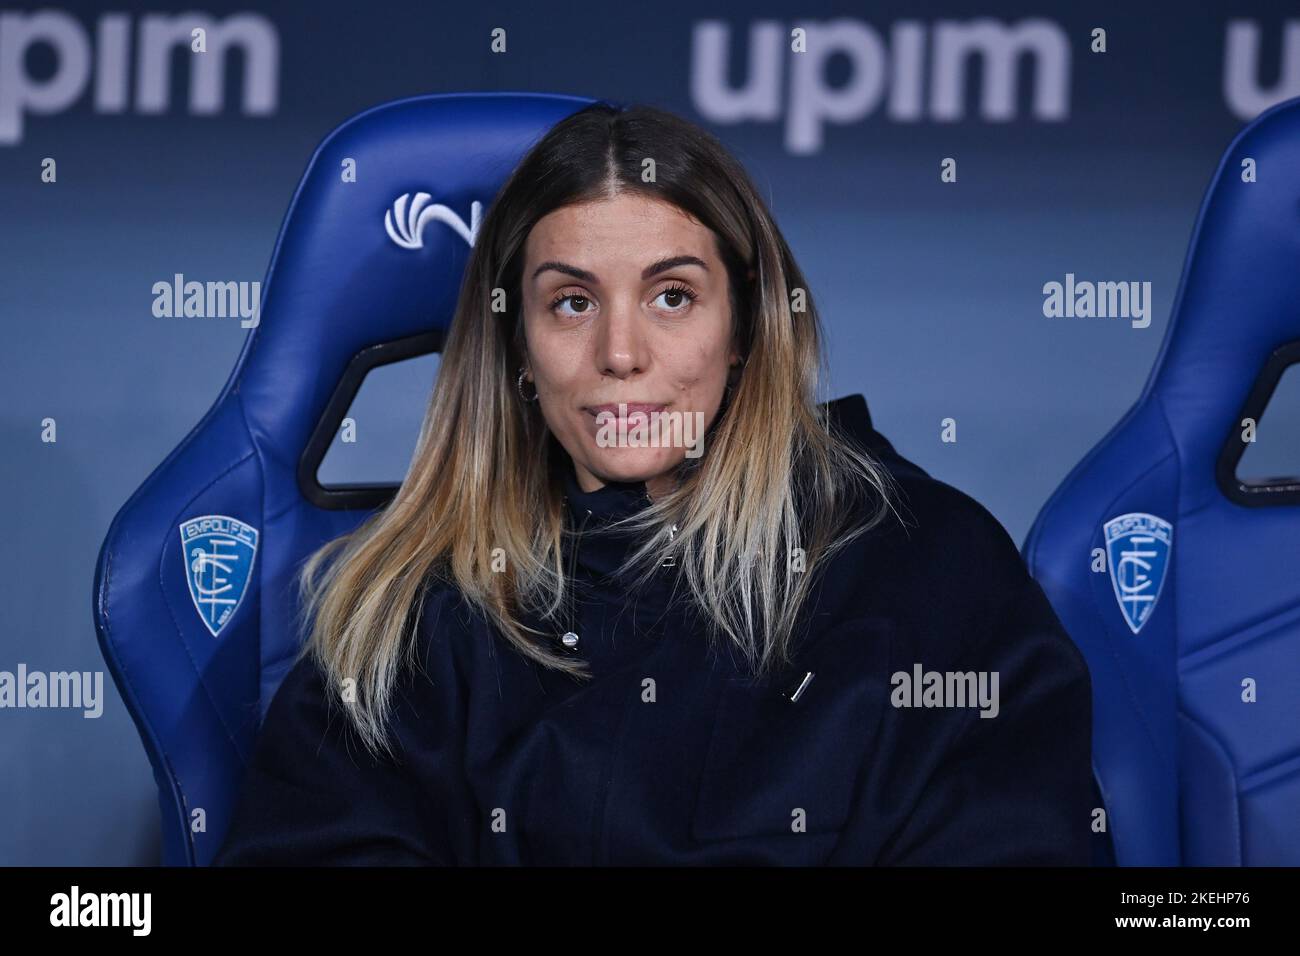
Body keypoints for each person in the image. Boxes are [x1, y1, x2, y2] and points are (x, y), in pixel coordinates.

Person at [212, 101, 1100, 866]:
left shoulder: (925, 569)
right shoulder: (415, 614)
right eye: (572, 302)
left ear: (748, 324)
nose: (622, 354)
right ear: (517, 345)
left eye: (673, 295)